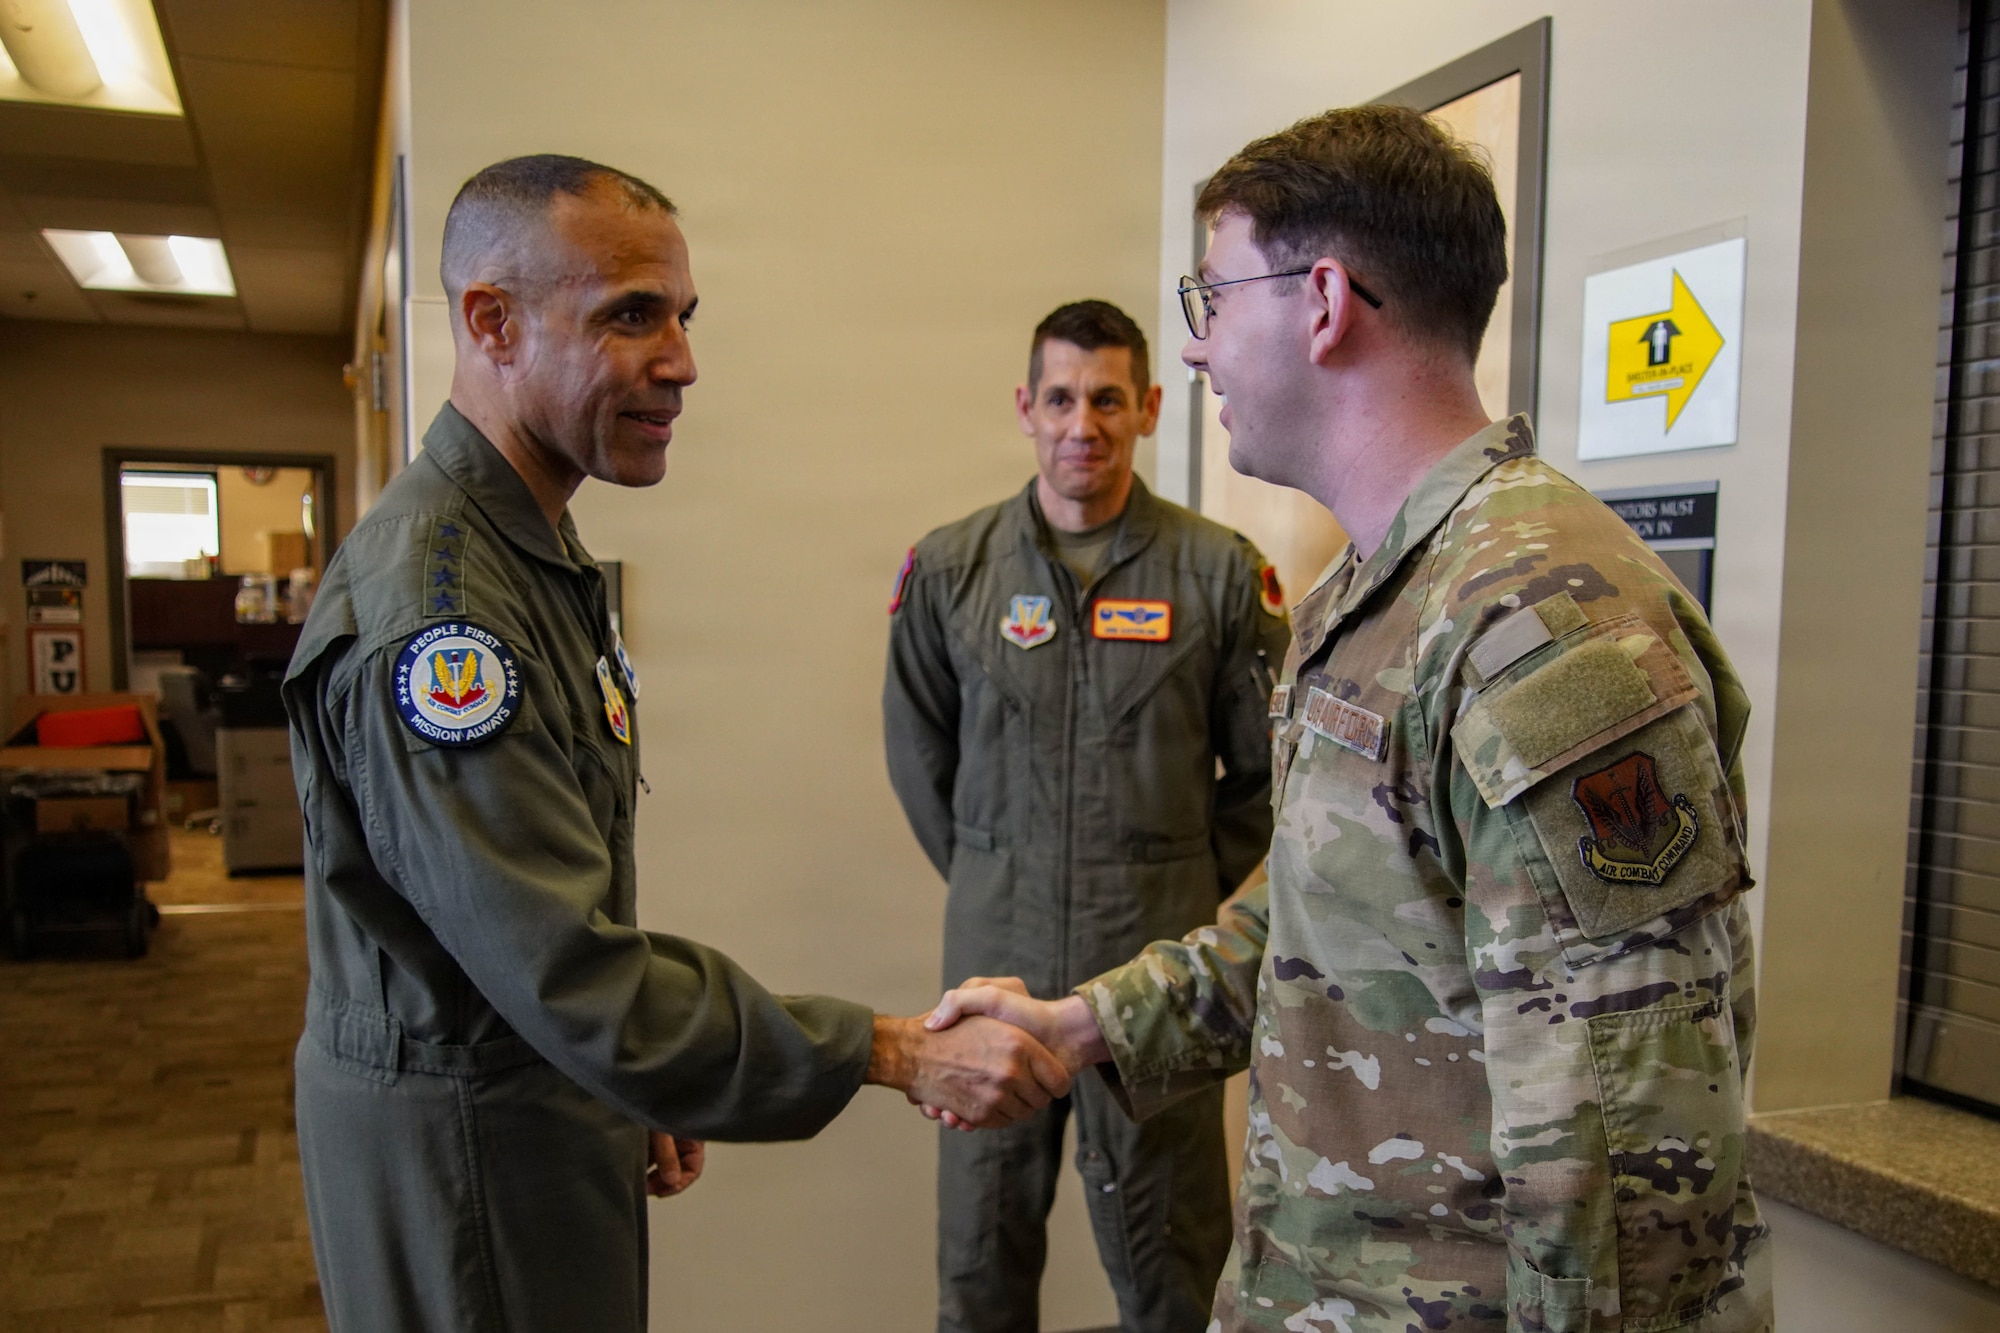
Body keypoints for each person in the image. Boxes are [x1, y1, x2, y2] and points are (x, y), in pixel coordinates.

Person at [928, 107, 1773, 1332]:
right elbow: (1323, 916)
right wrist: (1083, 1022)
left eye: (1210, 296)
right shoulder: (1378, 592)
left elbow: (1631, 1135)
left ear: (1320, 301)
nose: (1201, 349)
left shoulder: (1539, 619)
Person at [281, 154, 1071, 1333]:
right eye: (630, 316)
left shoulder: (524, 555)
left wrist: (618, 1067)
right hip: (467, 1150)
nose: (683, 362)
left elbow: (548, 936)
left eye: (683, 317)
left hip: (531, 1094)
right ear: (491, 323)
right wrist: (889, 1049)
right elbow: (566, 973)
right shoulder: (442, 617)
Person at [884, 299, 1291, 1333]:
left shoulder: (1219, 574)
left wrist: (1180, 892)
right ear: (1025, 407)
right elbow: (921, 760)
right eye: (1059, 398)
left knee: (1173, 1268)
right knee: (979, 1267)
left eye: (1107, 399)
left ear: (1149, 407)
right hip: (991, 973)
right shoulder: (949, 571)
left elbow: (1263, 782)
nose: (1083, 425)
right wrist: (999, 871)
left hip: (1152, 981)